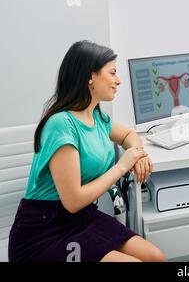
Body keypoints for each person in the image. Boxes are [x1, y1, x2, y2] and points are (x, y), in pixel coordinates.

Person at [8, 41, 166, 262]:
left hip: (81, 218)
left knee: (155, 257)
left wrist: (138, 154)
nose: (118, 80)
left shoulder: (97, 117)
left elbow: (129, 135)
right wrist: (123, 166)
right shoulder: (62, 124)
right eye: (112, 73)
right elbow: (72, 201)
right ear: (90, 77)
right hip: (44, 230)